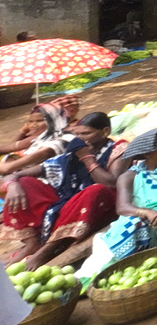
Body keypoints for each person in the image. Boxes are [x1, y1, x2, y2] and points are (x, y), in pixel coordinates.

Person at [76, 128, 157, 286]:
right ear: (148, 152)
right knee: (132, 224)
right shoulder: (128, 176)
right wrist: (147, 212)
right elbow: (122, 207)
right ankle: (91, 277)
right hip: (145, 222)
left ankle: (97, 273)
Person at [0, 113, 118, 267]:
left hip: (98, 207)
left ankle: (46, 251)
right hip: (67, 203)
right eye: (77, 134)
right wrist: (14, 184)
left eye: (86, 134)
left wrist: (88, 159)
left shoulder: (117, 149)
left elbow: (111, 183)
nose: (80, 139)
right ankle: (32, 243)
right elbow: (15, 175)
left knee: (95, 191)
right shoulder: (69, 156)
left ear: (105, 132)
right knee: (24, 182)